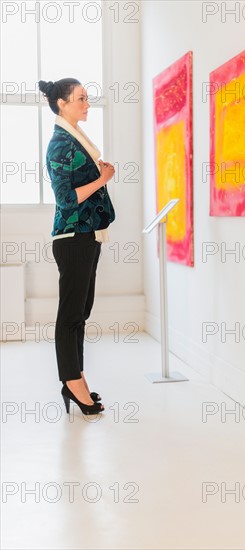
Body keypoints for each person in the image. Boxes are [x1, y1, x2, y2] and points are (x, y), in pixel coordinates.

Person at [39, 78, 115, 416]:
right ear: (62, 104)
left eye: (87, 97)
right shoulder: (60, 145)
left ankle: (77, 377)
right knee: (70, 316)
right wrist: (102, 179)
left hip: (87, 237)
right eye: (81, 98)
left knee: (80, 314)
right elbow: (67, 200)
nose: (87, 103)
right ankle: (71, 382)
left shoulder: (74, 139)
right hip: (73, 239)